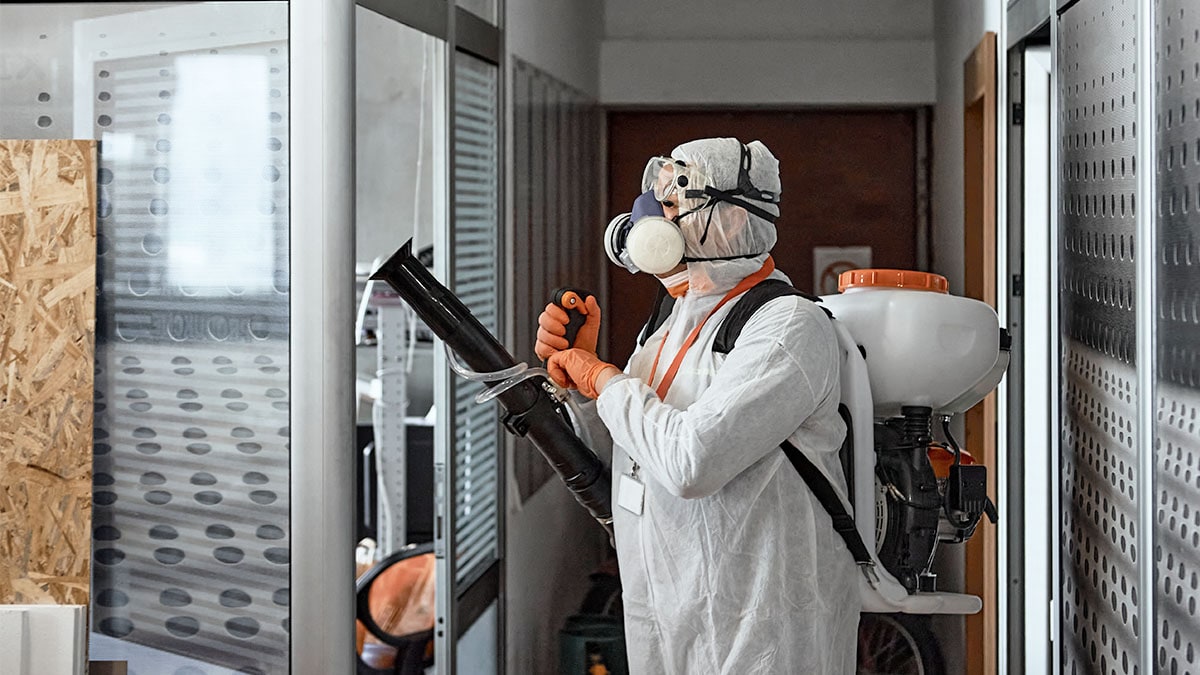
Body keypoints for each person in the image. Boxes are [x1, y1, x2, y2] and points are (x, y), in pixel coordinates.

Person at [535, 137, 861, 673]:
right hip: (666, 611)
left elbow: (690, 463)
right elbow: (633, 456)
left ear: (734, 222)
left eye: (673, 202)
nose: (651, 219)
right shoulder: (670, 319)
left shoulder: (786, 327)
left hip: (760, 629)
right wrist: (582, 385)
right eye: (657, 199)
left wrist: (607, 380)